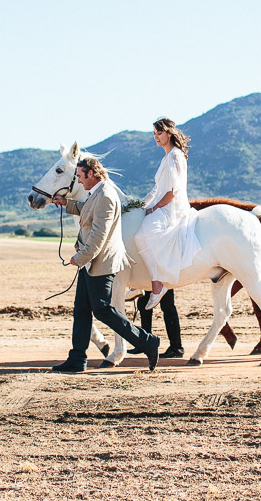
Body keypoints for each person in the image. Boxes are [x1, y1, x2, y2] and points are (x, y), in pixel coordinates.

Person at [50, 157, 160, 373]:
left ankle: (147, 341)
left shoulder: (107, 195)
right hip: (91, 262)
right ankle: (77, 359)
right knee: (81, 310)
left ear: (91, 174)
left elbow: (99, 235)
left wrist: (80, 257)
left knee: (103, 311)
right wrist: (68, 204)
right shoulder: (97, 193)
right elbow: (89, 210)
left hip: (101, 262)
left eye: (81, 176)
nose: (79, 182)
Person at [133, 117, 200, 311]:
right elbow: (156, 189)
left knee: (142, 235)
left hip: (172, 208)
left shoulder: (176, 156)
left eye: (159, 133)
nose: (156, 137)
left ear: (169, 133)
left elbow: (172, 191)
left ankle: (157, 284)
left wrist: (154, 209)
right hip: (162, 205)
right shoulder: (166, 157)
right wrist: (140, 205)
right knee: (138, 228)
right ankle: (136, 283)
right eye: (154, 134)